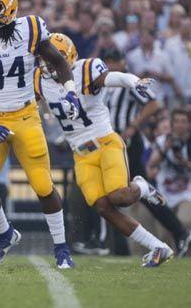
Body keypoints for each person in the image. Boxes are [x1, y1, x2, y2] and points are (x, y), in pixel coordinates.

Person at [0, 0, 79, 269]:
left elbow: (60, 63)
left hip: (25, 116)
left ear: (9, 10)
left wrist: (71, 90)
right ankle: (6, 234)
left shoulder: (31, 29)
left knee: (42, 184)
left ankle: (61, 249)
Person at [36, 33, 173, 267]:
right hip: (80, 154)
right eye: (46, 61)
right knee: (103, 208)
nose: (49, 67)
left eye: (53, 61)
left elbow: (112, 77)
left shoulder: (85, 69)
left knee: (119, 196)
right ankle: (159, 247)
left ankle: (141, 186)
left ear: (68, 58)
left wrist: (133, 81)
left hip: (106, 142)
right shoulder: (39, 79)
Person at [102, 47, 191, 256]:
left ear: (123, 62)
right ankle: (105, 243)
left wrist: (133, 126)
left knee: (139, 194)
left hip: (127, 144)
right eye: (109, 61)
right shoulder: (105, 83)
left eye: (115, 61)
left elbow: (154, 104)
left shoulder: (128, 81)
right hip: (110, 145)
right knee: (108, 193)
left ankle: (179, 232)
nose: (112, 65)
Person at [147, 109, 191, 231]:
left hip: (186, 194)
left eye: (183, 121)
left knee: (184, 221)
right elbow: (151, 164)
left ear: (188, 124)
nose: (180, 125)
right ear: (172, 124)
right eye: (176, 121)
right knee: (163, 235)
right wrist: (165, 148)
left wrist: (182, 161)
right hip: (164, 195)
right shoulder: (162, 140)